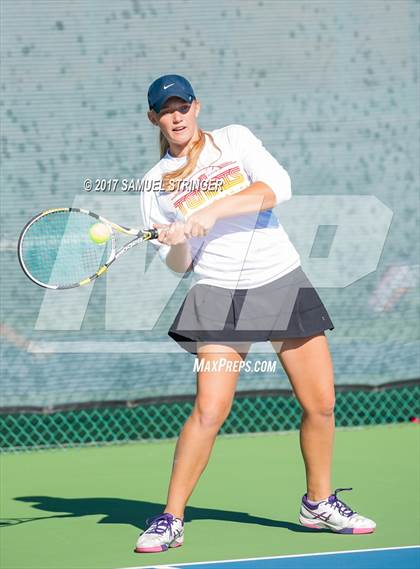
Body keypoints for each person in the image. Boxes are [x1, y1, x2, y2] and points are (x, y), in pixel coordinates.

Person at [135, 74, 376, 553]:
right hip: (218, 294)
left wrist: (213, 210)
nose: (177, 116)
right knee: (209, 410)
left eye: (183, 105)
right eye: (166, 110)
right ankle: (170, 518)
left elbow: (278, 186)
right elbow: (177, 266)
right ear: (154, 119)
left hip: (280, 279)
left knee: (321, 403)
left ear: (197, 107)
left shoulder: (234, 140)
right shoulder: (152, 185)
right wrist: (178, 242)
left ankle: (319, 502)